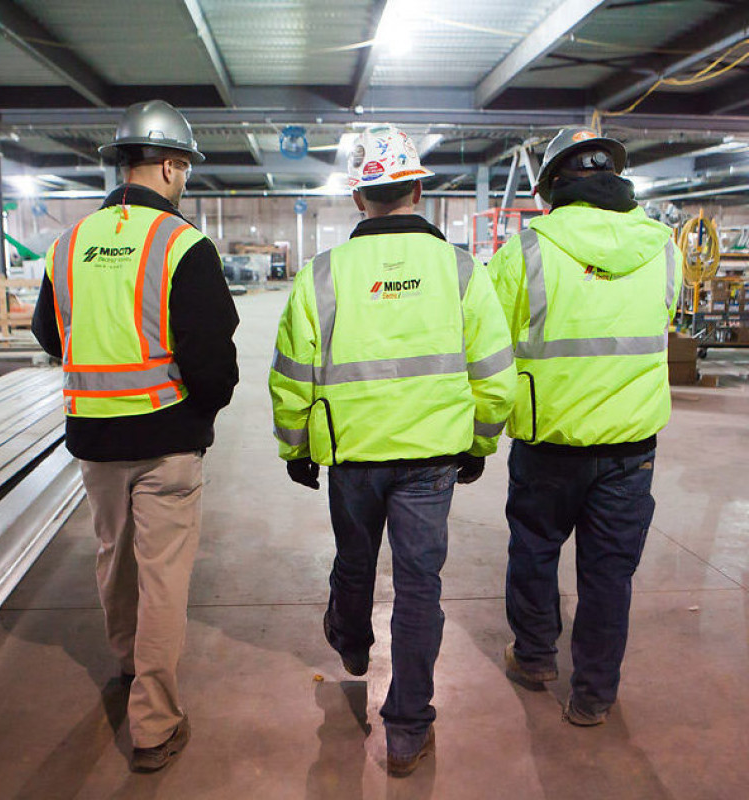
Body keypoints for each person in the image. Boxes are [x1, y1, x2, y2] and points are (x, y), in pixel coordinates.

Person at [269, 124, 516, 777]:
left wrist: (296, 444)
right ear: (416, 189)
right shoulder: (462, 269)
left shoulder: (322, 274)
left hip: (352, 457)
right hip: (433, 460)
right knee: (417, 587)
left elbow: (294, 370)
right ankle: (407, 731)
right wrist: (481, 440)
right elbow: (495, 372)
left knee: (355, 562)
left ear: (360, 199)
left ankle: (352, 644)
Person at [31, 99, 239, 771]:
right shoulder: (182, 244)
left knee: (112, 555)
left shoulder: (68, 246)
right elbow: (212, 356)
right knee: (163, 577)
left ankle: (126, 666)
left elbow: (47, 333)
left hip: (93, 435)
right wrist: (203, 409)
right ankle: (152, 722)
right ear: (174, 167)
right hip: (167, 439)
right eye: (185, 169)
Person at [487, 127, 682, 726]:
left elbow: (492, 344)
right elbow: (664, 320)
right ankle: (594, 694)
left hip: (549, 441)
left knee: (535, 551)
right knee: (608, 573)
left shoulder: (525, 250)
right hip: (632, 446)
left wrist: (481, 430)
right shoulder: (666, 247)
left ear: (549, 190)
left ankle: (537, 656)